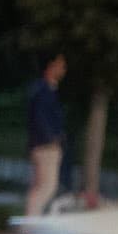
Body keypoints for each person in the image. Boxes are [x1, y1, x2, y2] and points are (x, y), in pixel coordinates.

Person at [25, 51, 68, 218]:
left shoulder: (44, 89)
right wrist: (52, 138)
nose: (64, 69)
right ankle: (31, 221)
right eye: (61, 65)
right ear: (51, 66)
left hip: (42, 144)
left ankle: (31, 220)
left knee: (40, 187)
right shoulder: (44, 91)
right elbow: (40, 117)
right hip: (46, 147)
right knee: (46, 187)